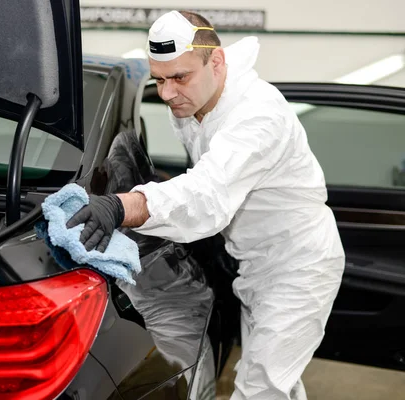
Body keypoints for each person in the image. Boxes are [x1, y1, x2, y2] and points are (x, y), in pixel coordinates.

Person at [67, 10, 347, 400]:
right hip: (256, 263)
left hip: (297, 266)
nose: (166, 94)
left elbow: (208, 195)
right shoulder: (197, 101)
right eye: (159, 80)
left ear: (216, 62)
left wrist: (120, 205)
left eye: (179, 77)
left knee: (261, 388)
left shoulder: (257, 115)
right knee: (275, 380)